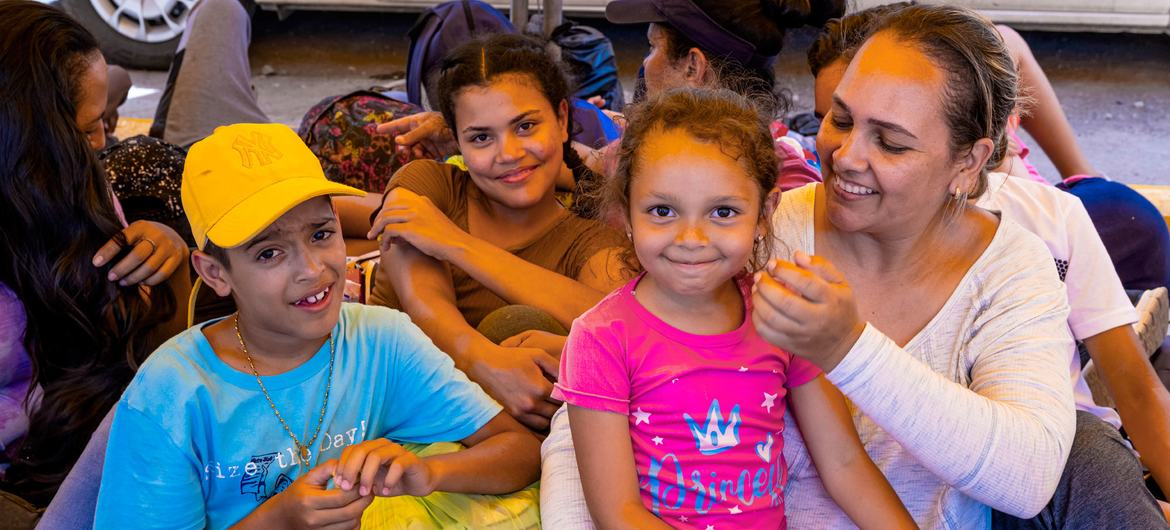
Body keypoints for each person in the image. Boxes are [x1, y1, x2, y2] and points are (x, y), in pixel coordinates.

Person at [748, 5, 1168, 528]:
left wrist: (849, 349)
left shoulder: (1013, 264)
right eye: (841, 118)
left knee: (1088, 448)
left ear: (968, 163)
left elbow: (1029, 476)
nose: (846, 155)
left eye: (891, 142)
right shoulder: (763, 234)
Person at [92, 123, 541, 529]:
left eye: (321, 234)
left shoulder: (382, 340)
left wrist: (426, 473)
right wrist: (278, 521)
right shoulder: (173, 394)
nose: (312, 269)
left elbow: (519, 451)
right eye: (269, 253)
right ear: (214, 273)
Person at [556, 87, 915, 529]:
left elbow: (843, 464)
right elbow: (617, 514)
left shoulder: (784, 316)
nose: (691, 238)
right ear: (626, 213)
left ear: (765, 213)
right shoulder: (601, 337)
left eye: (723, 212)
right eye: (662, 210)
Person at [365, 34, 628, 432]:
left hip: (499, 454)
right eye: (481, 137)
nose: (507, 153)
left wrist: (455, 243)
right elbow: (425, 304)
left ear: (561, 120)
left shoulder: (591, 241)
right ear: (457, 142)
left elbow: (625, 326)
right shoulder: (427, 186)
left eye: (525, 126)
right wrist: (483, 364)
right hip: (380, 417)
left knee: (518, 323)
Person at [376, 0, 845, 215]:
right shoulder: (642, 150)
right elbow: (590, 165)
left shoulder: (786, 192)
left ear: (693, 67)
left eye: (653, 47)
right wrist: (468, 130)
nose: (645, 64)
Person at [0, 0, 189, 514]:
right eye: (86, 130)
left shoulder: (80, 188)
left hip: (73, 448)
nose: (103, 143)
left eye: (107, 120)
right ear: (24, 137)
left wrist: (163, 238)